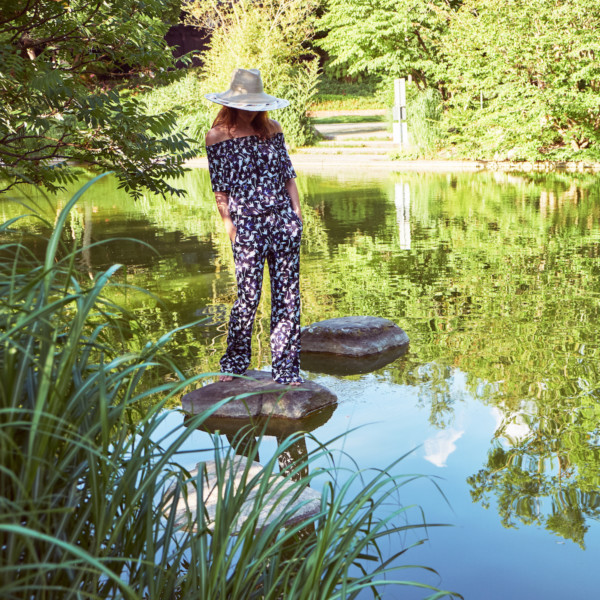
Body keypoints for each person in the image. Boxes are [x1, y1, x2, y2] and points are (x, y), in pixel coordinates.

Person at [204, 68, 303, 386]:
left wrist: (297, 214)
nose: (252, 111)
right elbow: (219, 188)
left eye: (256, 105)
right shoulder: (217, 136)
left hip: (282, 222)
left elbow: (288, 175)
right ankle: (234, 364)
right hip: (247, 226)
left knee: (287, 296)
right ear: (233, 102)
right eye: (247, 105)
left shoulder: (272, 129)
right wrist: (228, 225)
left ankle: (286, 369)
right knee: (248, 296)